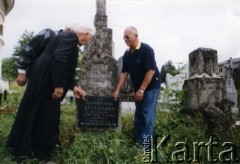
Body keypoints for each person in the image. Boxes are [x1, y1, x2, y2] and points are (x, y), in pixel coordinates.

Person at [7, 24, 95, 162]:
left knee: (35, 111)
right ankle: (42, 156)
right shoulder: (71, 37)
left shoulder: (65, 36)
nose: (89, 41)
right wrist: (59, 86)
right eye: (91, 37)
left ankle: (25, 148)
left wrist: (74, 86)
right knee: (46, 116)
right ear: (85, 34)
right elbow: (59, 59)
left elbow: (67, 67)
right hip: (47, 80)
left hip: (42, 77)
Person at [112, 26, 161, 145]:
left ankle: (145, 147)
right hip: (139, 89)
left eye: (127, 37)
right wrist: (117, 90)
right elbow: (124, 73)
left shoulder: (146, 49)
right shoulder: (127, 54)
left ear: (136, 36)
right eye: (124, 37)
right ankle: (138, 141)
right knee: (139, 115)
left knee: (147, 116)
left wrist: (142, 90)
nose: (125, 39)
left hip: (150, 87)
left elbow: (151, 71)